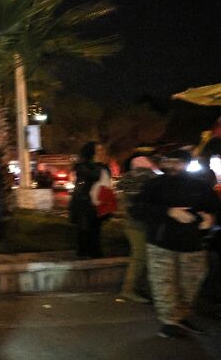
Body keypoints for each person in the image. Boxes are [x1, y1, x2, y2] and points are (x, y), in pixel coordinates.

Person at [134, 149, 219, 338]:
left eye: (178, 162)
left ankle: (179, 317)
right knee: (164, 284)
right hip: (161, 243)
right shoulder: (154, 185)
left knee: (190, 284)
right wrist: (167, 212)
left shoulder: (201, 186)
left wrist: (210, 218)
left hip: (192, 244)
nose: (172, 165)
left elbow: (214, 207)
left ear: (187, 164)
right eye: (168, 160)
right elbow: (138, 209)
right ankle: (169, 323)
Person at [116, 155, 158, 303]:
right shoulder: (152, 178)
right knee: (140, 257)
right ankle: (129, 289)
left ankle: (137, 287)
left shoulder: (125, 179)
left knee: (141, 256)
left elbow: (122, 201)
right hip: (143, 223)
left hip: (132, 223)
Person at [69, 141, 112, 258]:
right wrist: (99, 164)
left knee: (96, 229)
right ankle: (84, 253)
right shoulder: (82, 166)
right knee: (85, 229)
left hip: (98, 202)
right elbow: (93, 176)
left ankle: (95, 251)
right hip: (84, 203)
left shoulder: (103, 166)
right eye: (98, 150)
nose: (102, 152)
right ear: (91, 152)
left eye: (102, 150)